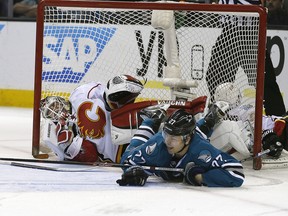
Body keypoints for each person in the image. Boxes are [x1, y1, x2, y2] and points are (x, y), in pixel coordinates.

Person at [117, 108, 245, 187]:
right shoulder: (158, 144)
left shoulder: (201, 151)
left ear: (187, 139)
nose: (167, 141)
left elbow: (237, 173)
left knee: (198, 135)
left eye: (173, 138)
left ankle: (209, 121)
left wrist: (198, 177)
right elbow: (127, 160)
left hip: (193, 141)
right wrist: (134, 171)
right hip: (186, 140)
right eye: (166, 134)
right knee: (133, 147)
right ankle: (152, 120)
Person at [206, 0, 286, 116]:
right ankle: (224, 116)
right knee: (214, 77)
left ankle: (278, 121)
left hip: (250, 31)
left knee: (265, 82)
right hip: (229, 30)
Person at [40, 74, 144, 163]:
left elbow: (101, 89)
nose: (57, 111)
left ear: (61, 99)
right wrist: (69, 147)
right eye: (50, 113)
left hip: (127, 118)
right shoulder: (65, 137)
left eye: (55, 105)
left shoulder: (77, 95)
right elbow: (91, 155)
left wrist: (113, 94)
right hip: (121, 150)